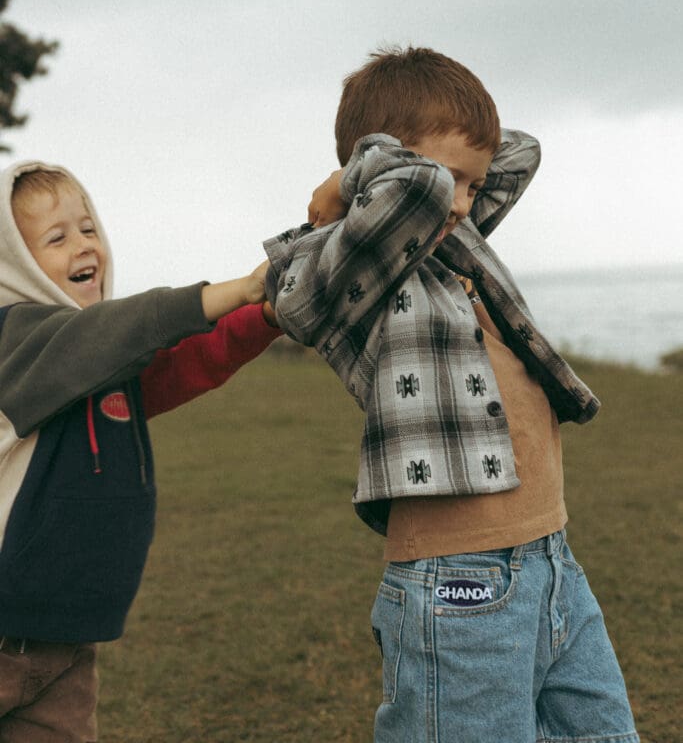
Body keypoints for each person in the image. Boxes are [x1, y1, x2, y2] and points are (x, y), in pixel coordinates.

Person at [263, 47, 639, 743]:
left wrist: (438, 174)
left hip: (549, 560)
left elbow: (518, 153)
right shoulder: (345, 263)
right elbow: (403, 200)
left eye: (469, 186)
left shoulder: (450, 242)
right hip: (455, 580)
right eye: (448, 184)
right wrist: (344, 191)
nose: (461, 202)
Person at [0, 160, 280, 743]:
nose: (85, 246)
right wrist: (236, 287)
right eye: (57, 238)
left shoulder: (108, 362)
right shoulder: (14, 341)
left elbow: (191, 357)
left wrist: (269, 313)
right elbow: (122, 329)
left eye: (88, 228)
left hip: (66, 642)